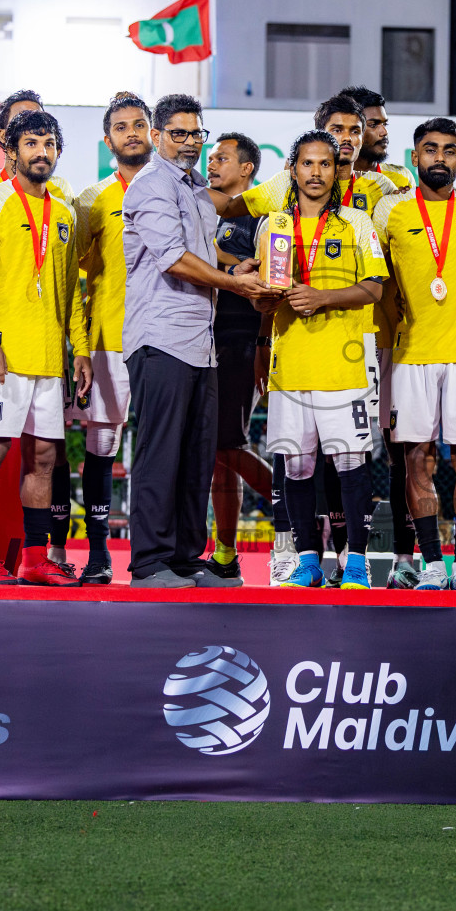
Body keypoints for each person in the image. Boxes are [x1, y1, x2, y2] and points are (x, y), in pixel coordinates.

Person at [122, 94, 279, 587]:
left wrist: (238, 267)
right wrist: (234, 284)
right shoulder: (151, 185)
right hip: (160, 338)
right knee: (160, 454)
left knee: (196, 455)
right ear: (157, 136)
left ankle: (187, 560)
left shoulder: (192, 189)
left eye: (196, 133)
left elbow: (204, 250)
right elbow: (172, 258)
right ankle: (149, 563)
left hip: (200, 341)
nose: (190, 143)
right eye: (179, 133)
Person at [0, 109, 91, 586]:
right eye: (32, 144)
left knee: (42, 459)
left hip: (48, 360)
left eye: (50, 144)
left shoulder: (63, 212)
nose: (42, 152)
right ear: (12, 151)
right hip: (2, 358)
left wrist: (78, 349)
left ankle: (34, 559)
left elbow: (70, 287)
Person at [260, 130, 389, 589]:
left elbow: (375, 286)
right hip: (290, 364)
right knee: (296, 466)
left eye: (324, 164)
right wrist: (263, 300)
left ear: (338, 171)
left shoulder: (357, 222)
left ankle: (356, 563)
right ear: (292, 169)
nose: (316, 173)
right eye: (307, 164)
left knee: (351, 465)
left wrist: (323, 297)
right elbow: (265, 296)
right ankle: (309, 560)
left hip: (344, 365)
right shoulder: (273, 226)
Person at [374, 118, 456, 590]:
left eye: (448, 150)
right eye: (430, 149)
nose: (439, 158)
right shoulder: (391, 212)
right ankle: (429, 564)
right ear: (415, 157)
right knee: (415, 461)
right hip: (411, 355)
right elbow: (375, 279)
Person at [69, 92, 154, 585]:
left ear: (152, 132)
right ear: (108, 141)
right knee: (103, 443)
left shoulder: (178, 190)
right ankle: (98, 552)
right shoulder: (93, 201)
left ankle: (152, 550)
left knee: (160, 445)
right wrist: (80, 345)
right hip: (109, 338)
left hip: (164, 337)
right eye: (121, 127)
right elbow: (69, 276)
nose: (131, 133)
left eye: (139, 124)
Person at [204, 131, 273, 582]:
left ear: (247, 168)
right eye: (210, 158)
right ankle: (225, 555)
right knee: (213, 454)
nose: (212, 164)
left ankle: (301, 508)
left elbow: (270, 285)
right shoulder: (197, 208)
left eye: (222, 158)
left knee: (228, 444)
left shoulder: (260, 219)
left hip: (238, 341)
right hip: (199, 340)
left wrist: (262, 347)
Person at [338, 85, 413, 189]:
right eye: (373, 125)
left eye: (385, 124)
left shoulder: (401, 177)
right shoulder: (325, 179)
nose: (384, 132)